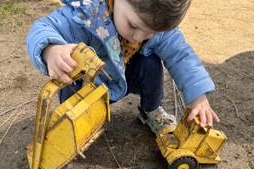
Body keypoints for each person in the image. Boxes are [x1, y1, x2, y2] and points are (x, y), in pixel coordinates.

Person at [26, 0, 220, 133]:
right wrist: (50, 50)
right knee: (70, 85)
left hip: (125, 75)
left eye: (151, 33)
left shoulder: (152, 18)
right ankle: (75, 124)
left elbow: (180, 55)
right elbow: (42, 28)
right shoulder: (86, 13)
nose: (139, 37)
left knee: (150, 62)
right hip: (90, 85)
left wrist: (198, 96)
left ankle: (151, 111)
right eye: (134, 25)